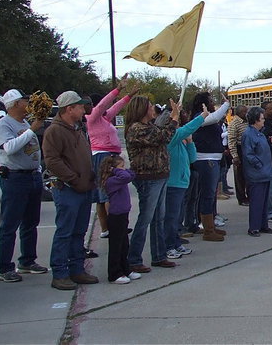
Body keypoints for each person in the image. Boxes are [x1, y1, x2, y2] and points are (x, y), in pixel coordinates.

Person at [42, 91, 99, 290]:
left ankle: (77, 269)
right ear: (69, 109)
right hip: (68, 189)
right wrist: (73, 179)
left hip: (83, 188)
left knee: (79, 232)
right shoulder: (55, 131)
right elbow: (52, 161)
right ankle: (59, 273)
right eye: (80, 107)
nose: (84, 110)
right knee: (65, 232)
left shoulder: (77, 128)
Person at [0, 89, 48, 283]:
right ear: (15, 104)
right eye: (25, 101)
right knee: (10, 224)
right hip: (15, 178)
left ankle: (27, 260)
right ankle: (4, 267)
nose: (28, 103)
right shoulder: (4, 124)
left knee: (30, 222)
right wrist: (32, 130)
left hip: (32, 176)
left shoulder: (24, 122)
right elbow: (8, 148)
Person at [124, 96, 179, 273]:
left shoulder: (149, 126)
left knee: (158, 218)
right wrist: (175, 118)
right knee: (146, 219)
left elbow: (161, 133)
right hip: (147, 177)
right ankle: (134, 258)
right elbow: (164, 136)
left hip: (159, 175)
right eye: (148, 106)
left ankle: (159, 255)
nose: (152, 108)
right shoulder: (137, 129)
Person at [88, 74, 139, 240]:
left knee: (108, 194)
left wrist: (129, 96)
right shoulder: (92, 118)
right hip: (102, 155)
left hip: (110, 154)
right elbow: (103, 105)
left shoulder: (104, 118)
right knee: (107, 193)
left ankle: (109, 228)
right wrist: (118, 89)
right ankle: (112, 227)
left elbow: (115, 107)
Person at [165, 104, 209, 254]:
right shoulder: (171, 138)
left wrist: (190, 143)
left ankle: (176, 243)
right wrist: (202, 117)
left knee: (177, 215)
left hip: (182, 181)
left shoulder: (180, 141)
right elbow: (188, 128)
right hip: (173, 182)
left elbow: (192, 159)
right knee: (171, 217)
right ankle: (169, 246)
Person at [189, 92, 230, 242]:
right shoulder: (199, 117)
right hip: (206, 159)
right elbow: (214, 117)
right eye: (211, 100)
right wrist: (226, 105)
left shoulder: (207, 117)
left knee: (210, 194)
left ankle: (209, 225)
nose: (213, 103)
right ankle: (207, 230)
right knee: (207, 194)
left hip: (212, 159)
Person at [99, 155, 141, 284]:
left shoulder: (119, 179)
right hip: (115, 216)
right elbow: (127, 176)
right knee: (116, 246)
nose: (124, 169)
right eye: (121, 167)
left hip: (123, 214)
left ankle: (125, 269)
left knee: (124, 244)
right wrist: (117, 170)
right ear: (112, 169)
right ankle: (114, 273)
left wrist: (121, 169)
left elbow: (132, 174)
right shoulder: (111, 181)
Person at [241, 106, 272, 237]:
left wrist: (269, 142)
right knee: (256, 201)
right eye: (261, 119)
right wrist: (259, 165)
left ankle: (263, 225)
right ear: (255, 120)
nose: (263, 121)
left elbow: (262, 149)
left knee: (264, 201)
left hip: (265, 172)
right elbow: (248, 154)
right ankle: (254, 227)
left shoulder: (260, 133)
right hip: (257, 174)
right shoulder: (248, 134)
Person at [227, 105, 250, 206]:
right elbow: (231, 140)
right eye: (245, 112)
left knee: (248, 175)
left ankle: (250, 196)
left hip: (247, 149)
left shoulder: (247, 121)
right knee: (240, 177)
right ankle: (241, 198)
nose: (247, 114)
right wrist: (235, 156)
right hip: (239, 149)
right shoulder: (234, 123)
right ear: (239, 113)